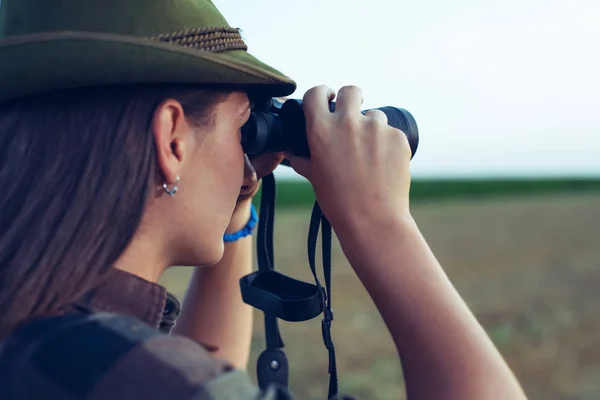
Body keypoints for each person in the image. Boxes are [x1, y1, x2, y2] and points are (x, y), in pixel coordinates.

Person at [0, 0, 528, 399]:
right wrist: (379, 221)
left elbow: (205, 366)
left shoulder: (45, 334)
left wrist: (237, 207)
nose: (248, 148)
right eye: (243, 126)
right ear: (173, 139)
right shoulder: (140, 374)